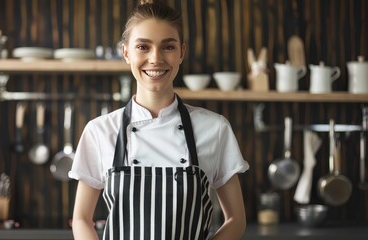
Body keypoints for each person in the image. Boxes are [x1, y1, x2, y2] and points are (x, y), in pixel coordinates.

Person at [69, 0, 249, 239]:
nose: (155, 59)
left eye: (168, 47)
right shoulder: (100, 131)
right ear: (126, 52)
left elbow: (236, 220)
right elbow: (81, 220)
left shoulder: (214, 129)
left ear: (182, 52)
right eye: (143, 47)